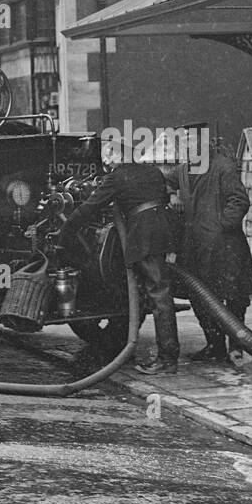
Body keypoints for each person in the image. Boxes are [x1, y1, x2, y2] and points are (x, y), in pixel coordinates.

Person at [59, 140, 179, 375]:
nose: (106, 160)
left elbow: (90, 208)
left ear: (120, 155)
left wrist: (66, 232)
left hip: (142, 235)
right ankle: (167, 355)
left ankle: (167, 359)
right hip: (162, 232)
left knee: (159, 295)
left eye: (109, 155)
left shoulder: (117, 177)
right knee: (158, 292)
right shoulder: (152, 171)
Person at [175, 136, 252, 363]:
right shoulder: (183, 171)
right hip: (195, 249)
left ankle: (236, 347)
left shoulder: (224, 167)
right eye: (186, 146)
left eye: (193, 145)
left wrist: (221, 226)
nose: (190, 150)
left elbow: (239, 200)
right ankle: (214, 345)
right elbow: (163, 182)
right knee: (200, 299)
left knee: (233, 298)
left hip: (225, 247)